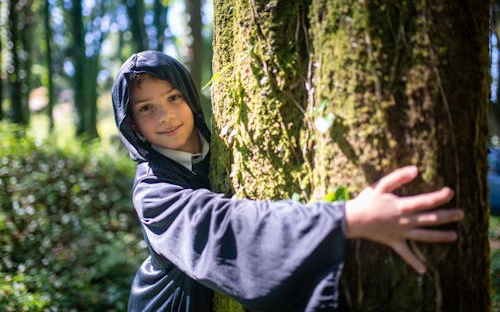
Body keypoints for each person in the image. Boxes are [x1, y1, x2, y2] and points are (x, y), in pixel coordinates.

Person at [111, 50, 464, 312]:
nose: (166, 116)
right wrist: (346, 219)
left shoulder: (227, 144)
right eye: (146, 108)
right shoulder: (152, 188)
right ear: (132, 124)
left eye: (174, 97)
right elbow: (219, 226)